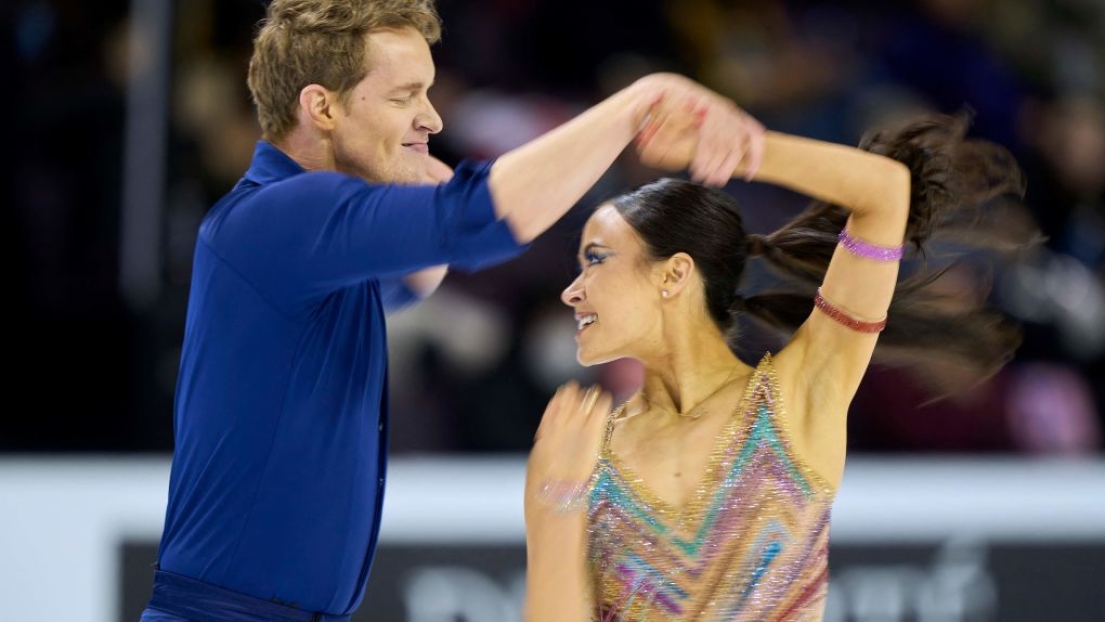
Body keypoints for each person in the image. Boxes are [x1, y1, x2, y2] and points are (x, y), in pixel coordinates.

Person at [137, 0, 771, 620]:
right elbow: (478, 221)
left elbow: (419, 272)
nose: (433, 118)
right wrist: (638, 103)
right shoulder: (282, 218)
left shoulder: (304, 237)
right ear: (321, 106)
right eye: (404, 96)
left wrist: (408, 165)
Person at [523, 110, 1031, 620]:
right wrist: (555, 500)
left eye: (595, 260)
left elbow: (884, 191)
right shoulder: (586, 454)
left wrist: (734, 148)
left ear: (673, 274)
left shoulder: (800, 393)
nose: (572, 291)